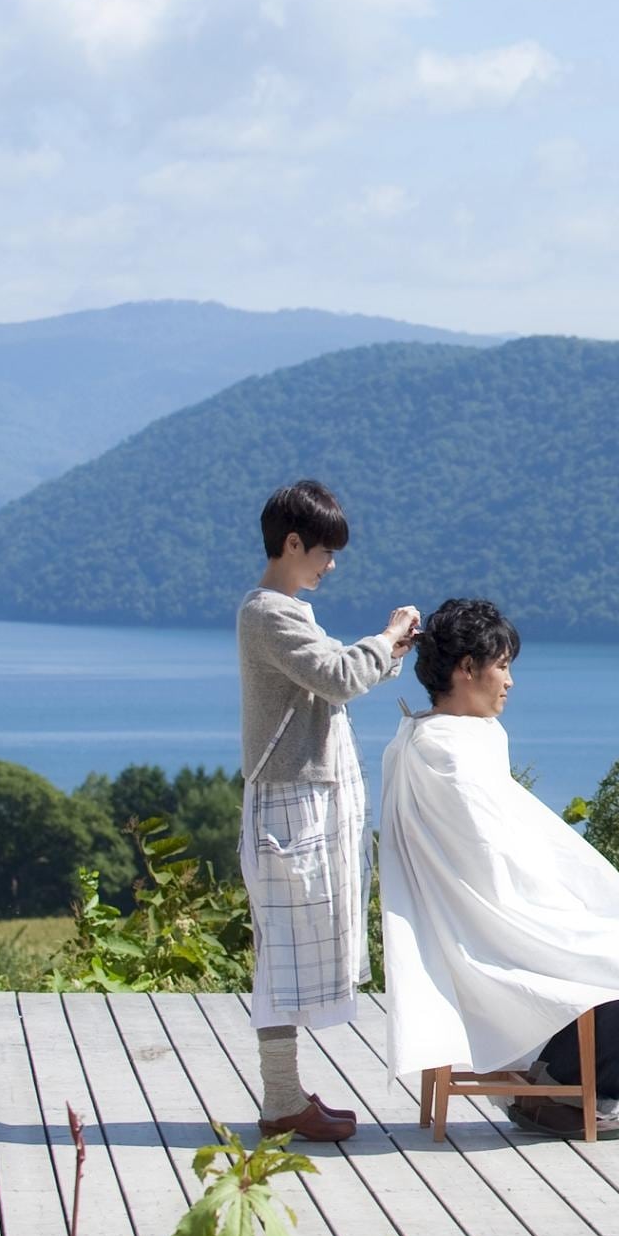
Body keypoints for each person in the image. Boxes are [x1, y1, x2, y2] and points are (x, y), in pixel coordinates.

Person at [378, 598, 619, 1140]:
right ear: (466, 668)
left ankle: (555, 1086)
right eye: (501, 666)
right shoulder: (450, 753)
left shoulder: (436, 736)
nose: (510, 682)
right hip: (488, 926)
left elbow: (491, 848)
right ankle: (556, 1092)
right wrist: (563, 902)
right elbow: (491, 860)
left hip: (472, 916)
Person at [237, 480, 422, 1143]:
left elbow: (336, 673)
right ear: (293, 543)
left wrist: (389, 651)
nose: (331, 564)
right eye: (324, 551)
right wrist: (387, 636)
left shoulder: (286, 611)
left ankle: (284, 1095)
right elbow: (339, 677)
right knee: (281, 956)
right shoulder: (268, 614)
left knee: (287, 952)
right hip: (290, 802)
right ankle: (281, 1099)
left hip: (302, 799)